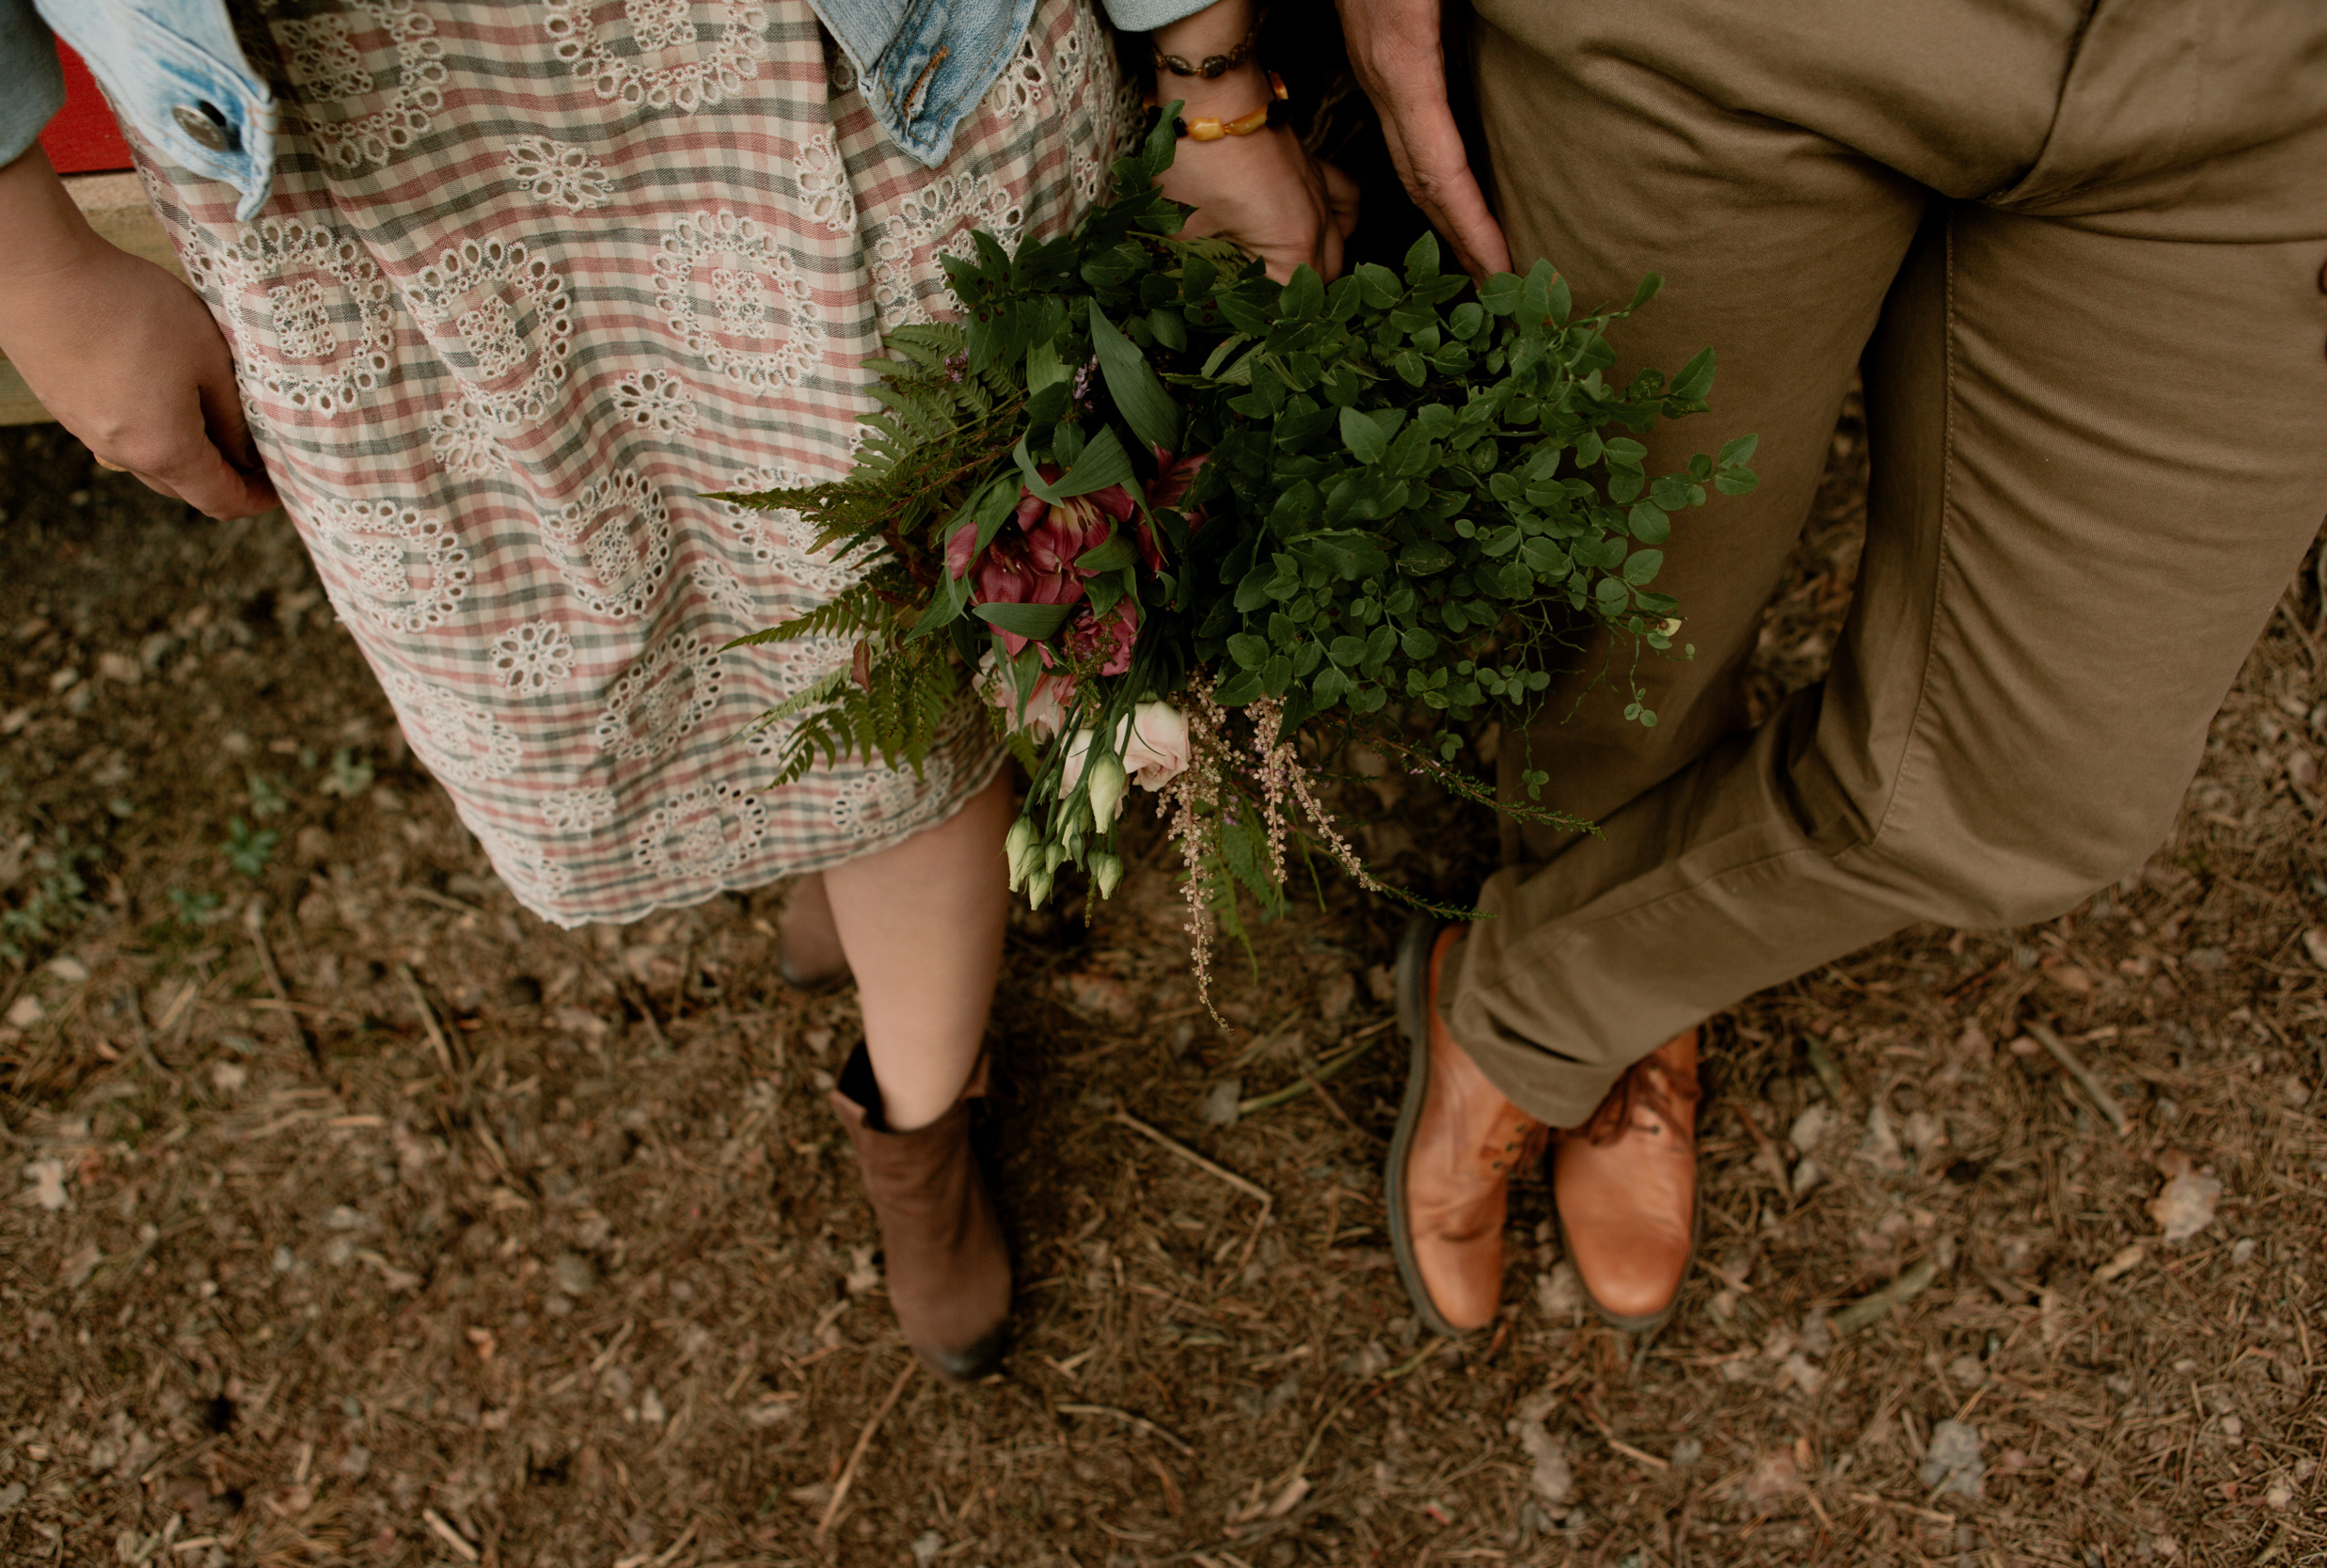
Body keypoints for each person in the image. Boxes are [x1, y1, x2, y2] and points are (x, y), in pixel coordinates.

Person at [0, 0, 1350, 1381]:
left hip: (858, 84)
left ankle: (919, 1128)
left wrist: (1213, 74)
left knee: (906, 675)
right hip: (375, 152)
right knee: (637, 622)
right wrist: (27, 256)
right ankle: (826, 859)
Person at [1352, 0, 2327, 1338]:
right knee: (1640, 607)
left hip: (2271, 88)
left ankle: (1548, 985)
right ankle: (1612, 966)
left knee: (2035, 791)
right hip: (1714, 30)